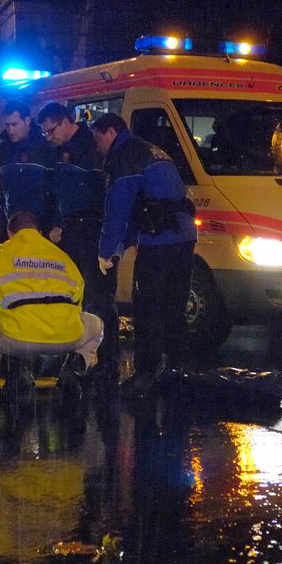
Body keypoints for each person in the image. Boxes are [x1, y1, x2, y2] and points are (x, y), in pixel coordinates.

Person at [92, 112, 196, 397]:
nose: (97, 145)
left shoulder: (125, 156)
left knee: (148, 306)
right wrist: (123, 246)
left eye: (98, 138)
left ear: (111, 132)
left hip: (158, 240)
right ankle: (177, 369)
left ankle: (146, 375)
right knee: (174, 306)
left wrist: (106, 251)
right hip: (183, 236)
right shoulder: (151, 149)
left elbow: (118, 209)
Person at [0, 211, 103, 379]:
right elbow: (78, 301)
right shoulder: (62, 256)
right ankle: (74, 368)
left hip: (16, 339)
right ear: (39, 232)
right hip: (67, 338)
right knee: (97, 325)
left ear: (10, 233)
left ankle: (9, 372)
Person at [36, 101, 119, 377]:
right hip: (73, 232)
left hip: (91, 231)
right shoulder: (61, 152)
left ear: (66, 121)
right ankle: (81, 357)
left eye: (51, 131)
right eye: (44, 133)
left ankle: (105, 361)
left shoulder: (89, 147)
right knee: (75, 296)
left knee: (98, 298)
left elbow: (86, 193)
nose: (49, 137)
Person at [0, 100, 56, 241]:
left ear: (27, 121)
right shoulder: (5, 150)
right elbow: (3, 191)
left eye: (14, 124)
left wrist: (54, 224)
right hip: (11, 223)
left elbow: (55, 190)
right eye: (7, 125)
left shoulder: (45, 149)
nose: (10, 130)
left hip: (40, 224)